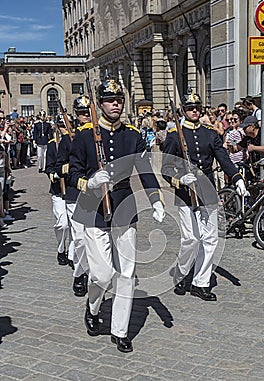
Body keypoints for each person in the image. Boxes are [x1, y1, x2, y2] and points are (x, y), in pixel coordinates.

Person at [69, 77, 165, 352]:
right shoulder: (86, 135)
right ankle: (93, 305)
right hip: (92, 209)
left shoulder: (132, 135)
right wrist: (90, 181)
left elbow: (145, 170)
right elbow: (74, 170)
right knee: (101, 274)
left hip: (124, 206)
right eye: (110, 100)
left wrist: (156, 199)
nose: (116, 104)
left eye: (119, 100)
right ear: (100, 104)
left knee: (126, 273)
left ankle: (120, 330)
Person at [162, 88, 246, 301]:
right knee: (191, 238)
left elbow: (223, 158)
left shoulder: (210, 133)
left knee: (209, 239)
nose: (194, 111)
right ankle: (182, 274)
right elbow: (165, 168)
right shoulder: (174, 136)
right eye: (190, 108)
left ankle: (201, 282)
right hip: (184, 193)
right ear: (183, 110)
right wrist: (180, 180)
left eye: (197, 107)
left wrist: (236, 178)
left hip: (206, 190)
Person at [56, 98, 90, 297]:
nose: (85, 116)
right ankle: (80, 274)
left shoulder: (98, 135)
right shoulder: (69, 139)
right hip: (75, 192)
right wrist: (71, 167)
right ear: (76, 116)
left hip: (97, 194)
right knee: (79, 239)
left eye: (88, 112)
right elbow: (59, 166)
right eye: (82, 113)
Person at [45, 118, 69, 266]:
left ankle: (73, 254)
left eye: (66, 126)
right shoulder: (53, 145)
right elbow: (49, 166)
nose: (64, 129)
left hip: (74, 189)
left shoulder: (76, 142)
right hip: (58, 191)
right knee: (62, 224)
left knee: (76, 227)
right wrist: (54, 174)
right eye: (61, 126)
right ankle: (61, 249)